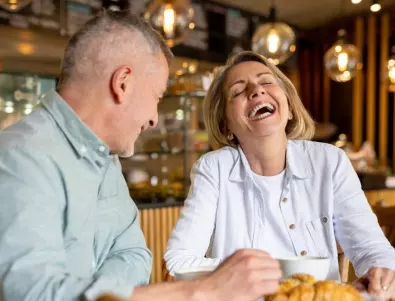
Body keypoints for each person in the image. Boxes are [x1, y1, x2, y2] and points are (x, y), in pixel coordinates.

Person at [0, 10, 282, 301]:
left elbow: (133, 254)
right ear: (122, 83)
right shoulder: (18, 156)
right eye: (156, 97)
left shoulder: (105, 159)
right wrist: (202, 291)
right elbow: (31, 293)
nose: (154, 120)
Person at [164, 51, 395, 299]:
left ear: (290, 107)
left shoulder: (330, 161)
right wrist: (247, 273)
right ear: (225, 126)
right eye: (238, 91)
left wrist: (382, 271)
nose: (256, 91)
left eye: (266, 81)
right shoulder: (213, 169)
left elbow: (370, 247)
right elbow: (178, 263)